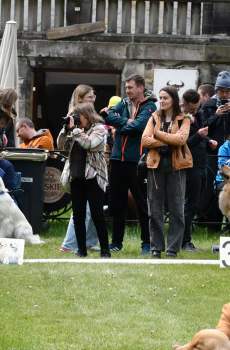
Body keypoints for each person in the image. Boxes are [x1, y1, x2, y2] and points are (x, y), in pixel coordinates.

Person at [102, 74, 157, 254]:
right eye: (126, 87)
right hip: (118, 159)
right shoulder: (123, 103)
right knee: (117, 203)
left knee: (142, 204)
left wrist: (121, 127)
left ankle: (146, 243)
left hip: (137, 161)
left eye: (130, 87)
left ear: (140, 88)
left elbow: (140, 127)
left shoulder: (150, 106)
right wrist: (126, 121)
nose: (127, 90)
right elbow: (107, 117)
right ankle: (116, 242)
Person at [141, 85, 191, 258]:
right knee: (154, 207)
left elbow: (181, 139)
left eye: (165, 98)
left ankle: (172, 249)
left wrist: (158, 135)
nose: (161, 101)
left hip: (177, 166)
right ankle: (156, 247)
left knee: (177, 208)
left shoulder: (184, 119)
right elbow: (145, 140)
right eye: (160, 98)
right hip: (156, 165)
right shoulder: (154, 117)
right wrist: (165, 142)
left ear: (173, 100)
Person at [56, 102, 111, 258]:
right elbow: (61, 145)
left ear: (87, 116)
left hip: (93, 177)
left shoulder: (99, 129)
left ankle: (105, 250)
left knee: (97, 214)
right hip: (76, 177)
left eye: (77, 116)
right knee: (78, 215)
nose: (75, 119)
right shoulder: (75, 130)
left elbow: (90, 144)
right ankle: (81, 250)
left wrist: (74, 130)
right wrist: (66, 129)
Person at [60, 85, 100, 254]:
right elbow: (61, 143)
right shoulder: (73, 117)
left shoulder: (91, 118)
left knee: (91, 209)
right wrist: (69, 128)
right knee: (80, 210)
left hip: (90, 167)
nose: (94, 99)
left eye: (94, 96)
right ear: (80, 99)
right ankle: (69, 244)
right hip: (78, 168)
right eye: (90, 97)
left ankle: (89, 241)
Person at [180, 88, 208, 252]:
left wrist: (208, 140)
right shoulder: (181, 119)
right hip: (190, 166)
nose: (195, 111)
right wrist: (199, 136)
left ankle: (185, 240)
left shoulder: (198, 115)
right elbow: (182, 143)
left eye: (197, 108)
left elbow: (198, 134)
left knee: (195, 203)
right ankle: (185, 241)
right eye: (191, 109)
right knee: (190, 205)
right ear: (184, 105)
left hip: (201, 163)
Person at [197, 71, 230, 156]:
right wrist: (216, 115)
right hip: (212, 152)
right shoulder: (208, 106)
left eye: (227, 91)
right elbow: (202, 127)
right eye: (221, 91)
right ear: (217, 91)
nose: (224, 94)